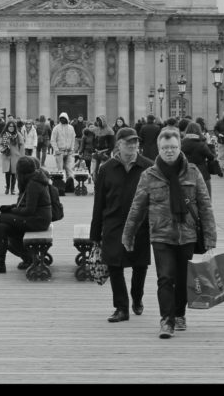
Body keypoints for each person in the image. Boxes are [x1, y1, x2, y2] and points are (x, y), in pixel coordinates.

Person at [122, 127, 217, 339]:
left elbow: (205, 206)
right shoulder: (149, 175)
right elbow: (137, 207)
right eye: (165, 148)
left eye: (173, 147)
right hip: (161, 234)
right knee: (165, 278)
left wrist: (210, 239)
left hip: (187, 234)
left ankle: (180, 313)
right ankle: (167, 320)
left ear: (179, 147)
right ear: (159, 149)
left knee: (183, 278)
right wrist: (128, 234)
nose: (169, 151)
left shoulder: (193, 172)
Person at [90, 127, 152, 323]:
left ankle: (137, 296)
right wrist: (95, 234)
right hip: (113, 223)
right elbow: (99, 202)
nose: (133, 145)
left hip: (140, 225)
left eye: (135, 142)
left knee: (140, 265)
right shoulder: (107, 168)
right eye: (128, 142)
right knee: (114, 265)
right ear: (119, 144)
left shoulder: (148, 167)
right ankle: (121, 307)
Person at [0, 156, 52, 273]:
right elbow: (26, 205)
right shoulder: (32, 180)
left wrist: (11, 211)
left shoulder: (34, 184)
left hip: (38, 221)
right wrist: (11, 207)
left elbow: (29, 210)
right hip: (36, 218)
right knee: (2, 227)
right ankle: (0, 264)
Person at [180, 122, 217, 197]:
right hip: (202, 172)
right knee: (206, 195)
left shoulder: (181, 143)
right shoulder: (201, 144)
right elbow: (211, 157)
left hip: (185, 172)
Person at [0, 119, 23, 195]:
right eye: (10, 126)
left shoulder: (18, 134)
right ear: (7, 127)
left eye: (12, 126)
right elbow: (0, 144)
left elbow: (22, 145)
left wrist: (21, 156)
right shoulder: (4, 135)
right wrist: (2, 149)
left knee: (14, 173)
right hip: (6, 155)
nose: (11, 127)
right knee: (7, 172)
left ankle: (12, 189)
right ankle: (7, 187)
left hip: (15, 156)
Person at [51, 112, 76, 180]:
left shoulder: (71, 128)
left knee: (69, 168)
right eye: (61, 118)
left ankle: (70, 184)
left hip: (69, 152)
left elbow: (73, 139)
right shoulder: (56, 128)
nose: (62, 120)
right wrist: (56, 150)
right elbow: (53, 140)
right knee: (60, 170)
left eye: (64, 118)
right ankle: (61, 184)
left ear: (67, 119)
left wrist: (72, 149)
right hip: (60, 152)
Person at [90, 115, 115, 182]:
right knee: (94, 172)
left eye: (99, 121)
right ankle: (96, 188)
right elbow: (93, 141)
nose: (98, 122)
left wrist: (107, 153)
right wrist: (93, 149)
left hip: (104, 154)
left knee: (104, 172)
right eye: (97, 121)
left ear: (103, 121)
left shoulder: (109, 131)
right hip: (96, 153)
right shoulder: (96, 129)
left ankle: (103, 188)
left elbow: (112, 144)